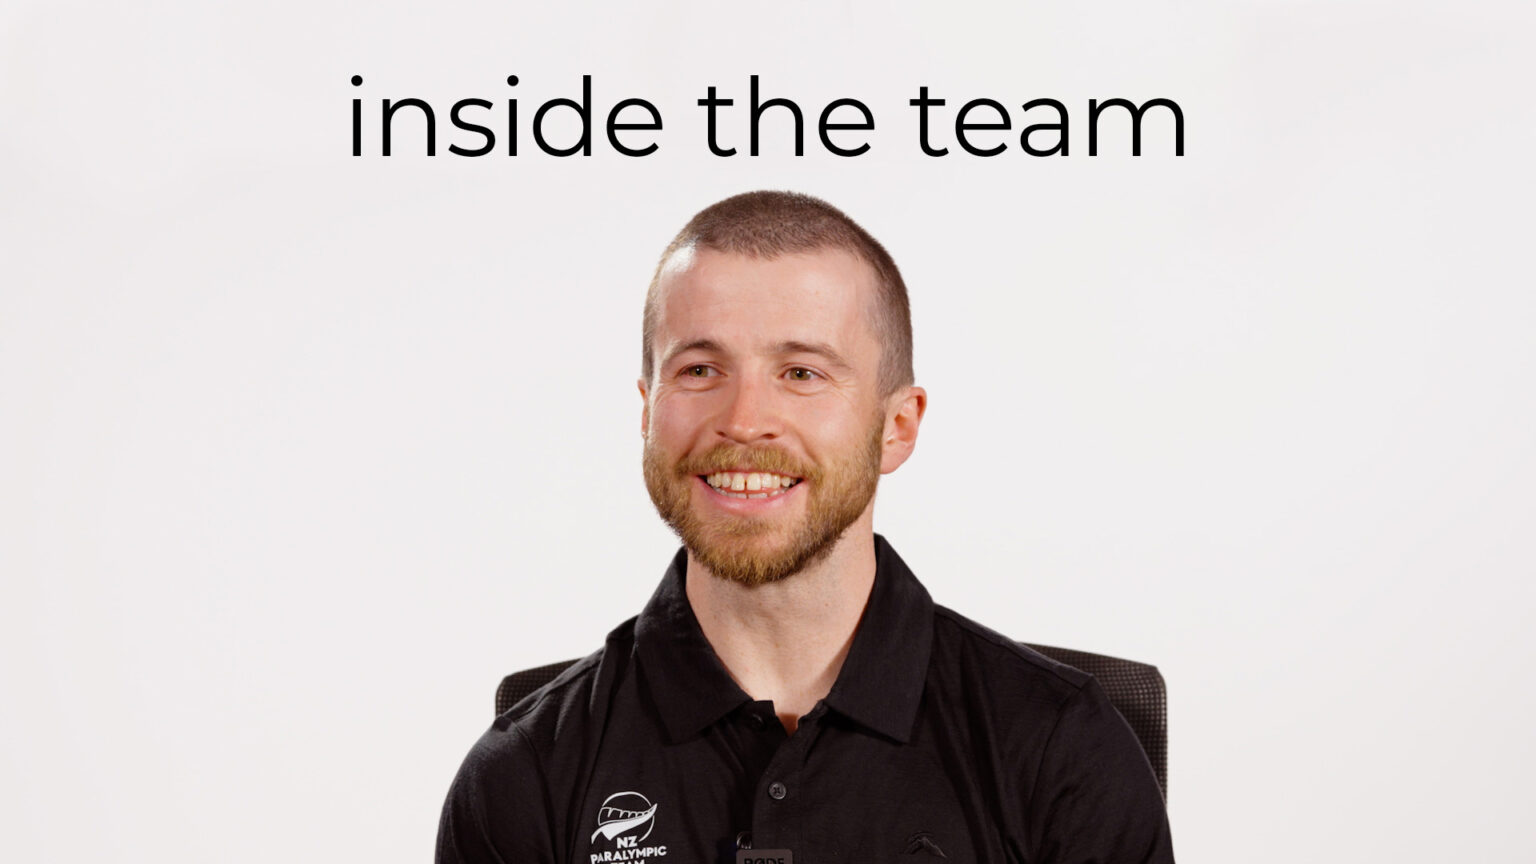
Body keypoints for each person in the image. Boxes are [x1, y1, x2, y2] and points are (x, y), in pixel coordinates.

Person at [436, 191, 1174, 864]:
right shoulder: (524, 775)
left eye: (802, 373)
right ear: (646, 410)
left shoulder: (1061, 750)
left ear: (897, 426)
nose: (743, 420)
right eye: (699, 370)